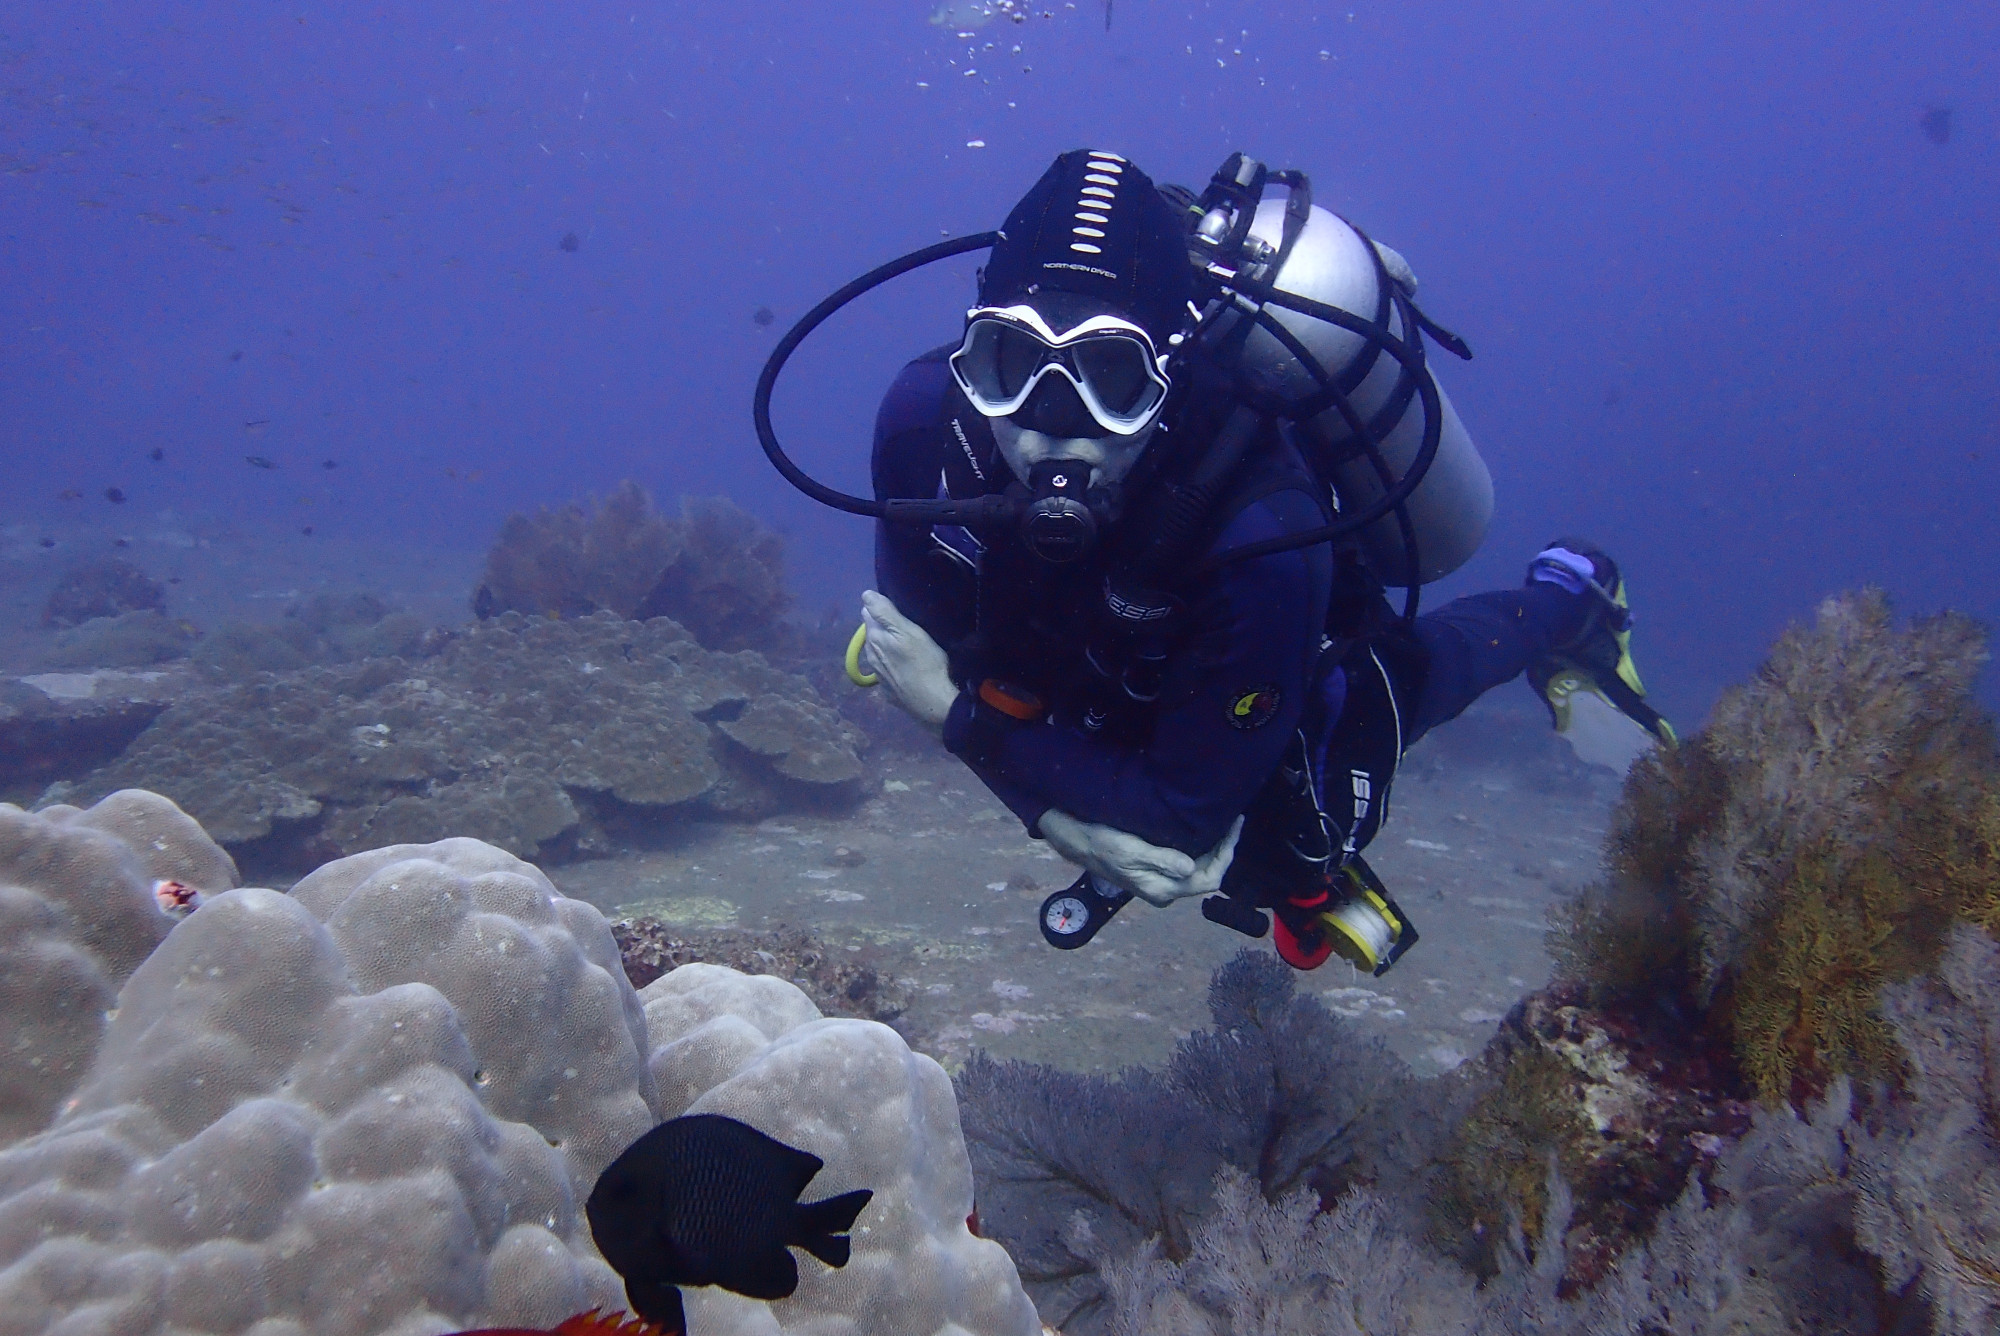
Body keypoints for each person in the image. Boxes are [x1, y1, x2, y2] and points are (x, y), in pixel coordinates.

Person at [853, 149, 1671, 972]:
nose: (1050, 434)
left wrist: (955, 719)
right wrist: (1066, 813)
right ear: (970, 359)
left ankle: (1576, 596)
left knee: (1299, 829)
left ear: (1168, 372)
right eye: (1013, 366)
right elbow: (921, 642)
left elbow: (1181, 816)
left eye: (1112, 377)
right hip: (1091, 675)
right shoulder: (923, 427)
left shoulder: (1264, 538)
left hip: (1268, 681)